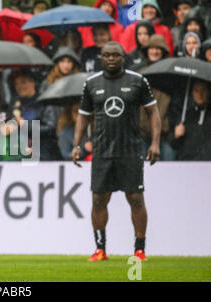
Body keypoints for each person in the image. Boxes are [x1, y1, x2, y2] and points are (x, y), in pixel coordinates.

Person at [71, 41, 161, 262]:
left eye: (116, 55)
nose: (111, 58)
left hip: (130, 149)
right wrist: (76, 144)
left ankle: (140, 250)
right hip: (102, 151)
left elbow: (153, 112)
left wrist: (155, 143)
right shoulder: (91, 83)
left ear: (123, 57)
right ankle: (100, 249)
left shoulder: (138, 81)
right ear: (101, 57)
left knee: (136, 198)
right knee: (99, 200)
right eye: (107, 55)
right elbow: (83, 115)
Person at [136, 35, 176, 160]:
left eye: (158, 48)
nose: (154, 51)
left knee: (169, 170)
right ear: (147, 50)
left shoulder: (170, 75)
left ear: (163, 51)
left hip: (165, 136)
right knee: (142, 173)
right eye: (151, 48)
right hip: (142, 135)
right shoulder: (138, 74)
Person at [9, 69, 60, 161]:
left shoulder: (44, 102)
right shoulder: (15, 104)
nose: (19, 86)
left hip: (42, 154)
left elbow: (51, 128)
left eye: (23, 82)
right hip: (17, 154)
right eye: (16, 84)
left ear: (32, 83)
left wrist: (25, 125)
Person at [172, 80, 211, 160]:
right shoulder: (185, 115)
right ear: (192, 93)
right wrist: (176, 136)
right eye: (196, 90)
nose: (200, 94)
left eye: (203, 90)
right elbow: (174, 145)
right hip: (187, 164)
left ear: (209, 91)